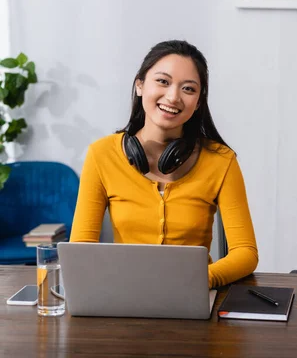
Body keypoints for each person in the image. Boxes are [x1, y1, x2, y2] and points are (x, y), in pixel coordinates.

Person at [70, 40, 258, 288]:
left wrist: (201, 280)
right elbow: (81, 248)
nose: (173, 96)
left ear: (198, 102)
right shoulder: (101, 154)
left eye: (188, 89)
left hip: (195, 292)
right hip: (124, 291)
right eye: (163, 81)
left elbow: (245, 252)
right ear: (140, 85)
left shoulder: (221, 160)